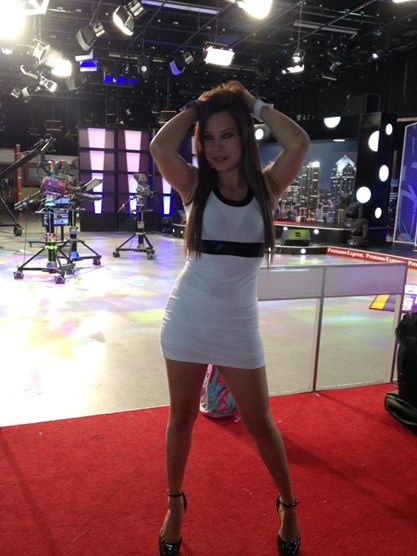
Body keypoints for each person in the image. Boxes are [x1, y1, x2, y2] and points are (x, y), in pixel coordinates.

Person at [150, 80, 310, 556]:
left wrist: (253, 104)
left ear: (244, 135)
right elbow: (160, 146)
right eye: (208, 138)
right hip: (188, 318)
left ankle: (288, 504)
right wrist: (197, 106)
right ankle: (175, 503)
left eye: (227, 135)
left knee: (260, 422)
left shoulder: (268, 188)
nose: (217, 147)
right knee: (181, 418)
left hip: (239, 326)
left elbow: (298, 141)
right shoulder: (194, 186)